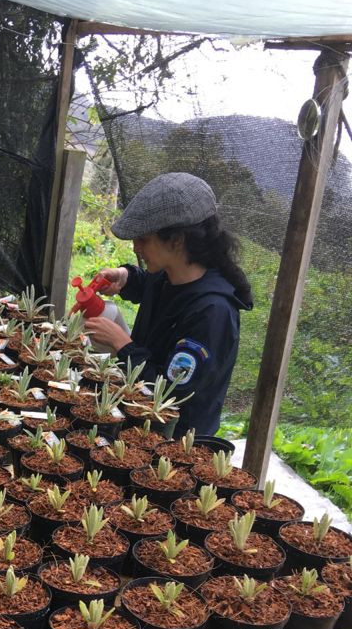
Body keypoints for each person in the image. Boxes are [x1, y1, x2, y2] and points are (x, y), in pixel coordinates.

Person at [83, 172, 253, 436]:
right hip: (141, 419)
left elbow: (171, 393)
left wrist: (122, 345)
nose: (136, 247)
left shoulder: (213, 312)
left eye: (144, 239)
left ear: (177, 240)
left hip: (175, 441)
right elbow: (159, 292)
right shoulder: (169, 275)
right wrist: (127, 279)